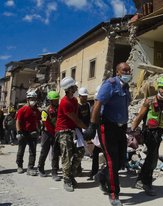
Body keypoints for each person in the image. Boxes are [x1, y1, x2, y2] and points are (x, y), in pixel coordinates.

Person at [84, 62, 132, 206]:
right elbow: (97, 104)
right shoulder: (110, 84)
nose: (128, 72)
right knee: (111, 161)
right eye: (124, 70)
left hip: (121, 128)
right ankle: (113, 194)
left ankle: (101, 176)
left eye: (129, 70)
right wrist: (92, 125)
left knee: (120, 160)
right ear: (117, 72)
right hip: (108, 127)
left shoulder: (126, 86)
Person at [55, 76, 87, 192]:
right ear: (69, 89)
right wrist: (87, 129)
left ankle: (71, 175)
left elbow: (77, 117)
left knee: (80, 151)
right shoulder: (65, 102)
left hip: (73, 130)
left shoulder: (74, 100)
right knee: (67, 156)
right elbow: (76, 119)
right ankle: (67, 180)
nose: (76, 87)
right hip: (63, 131)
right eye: (74, 86)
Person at [15, 91, 41, 176]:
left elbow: (38, 121)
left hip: (33, 133)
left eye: (34, 99)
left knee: (33, 151)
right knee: (21, 150)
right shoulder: (22, 109)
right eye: (31, 99)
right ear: (28, 99)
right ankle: (19, 166)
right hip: (23, 133)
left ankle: (30, 168)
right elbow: (18, 121)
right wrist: (19, 132)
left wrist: (38, 131)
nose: (33, 100)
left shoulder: (37, 110)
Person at [37, 91, 60, 181]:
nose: (56, 101)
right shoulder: (44, 111)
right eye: (54, 100)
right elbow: (45, 123)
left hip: (56, 133)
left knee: (55, 153)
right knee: (44, 151)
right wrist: (54, 131)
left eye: (57, 100)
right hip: (47, 133)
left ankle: (54, 171)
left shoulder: (59, 109)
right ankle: (40, 168)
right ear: (50, 101)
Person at [76, 87, 91, 176]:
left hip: (86, 128)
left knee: (83, 149)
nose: (85, 98)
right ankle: (77, 168)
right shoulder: (77, 106)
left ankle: (78, 167)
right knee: (79, 149)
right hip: (78, 130)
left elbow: (89, 116)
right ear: (79, 96)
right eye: (83, 97)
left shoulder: (88, 105)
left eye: (86, 96)